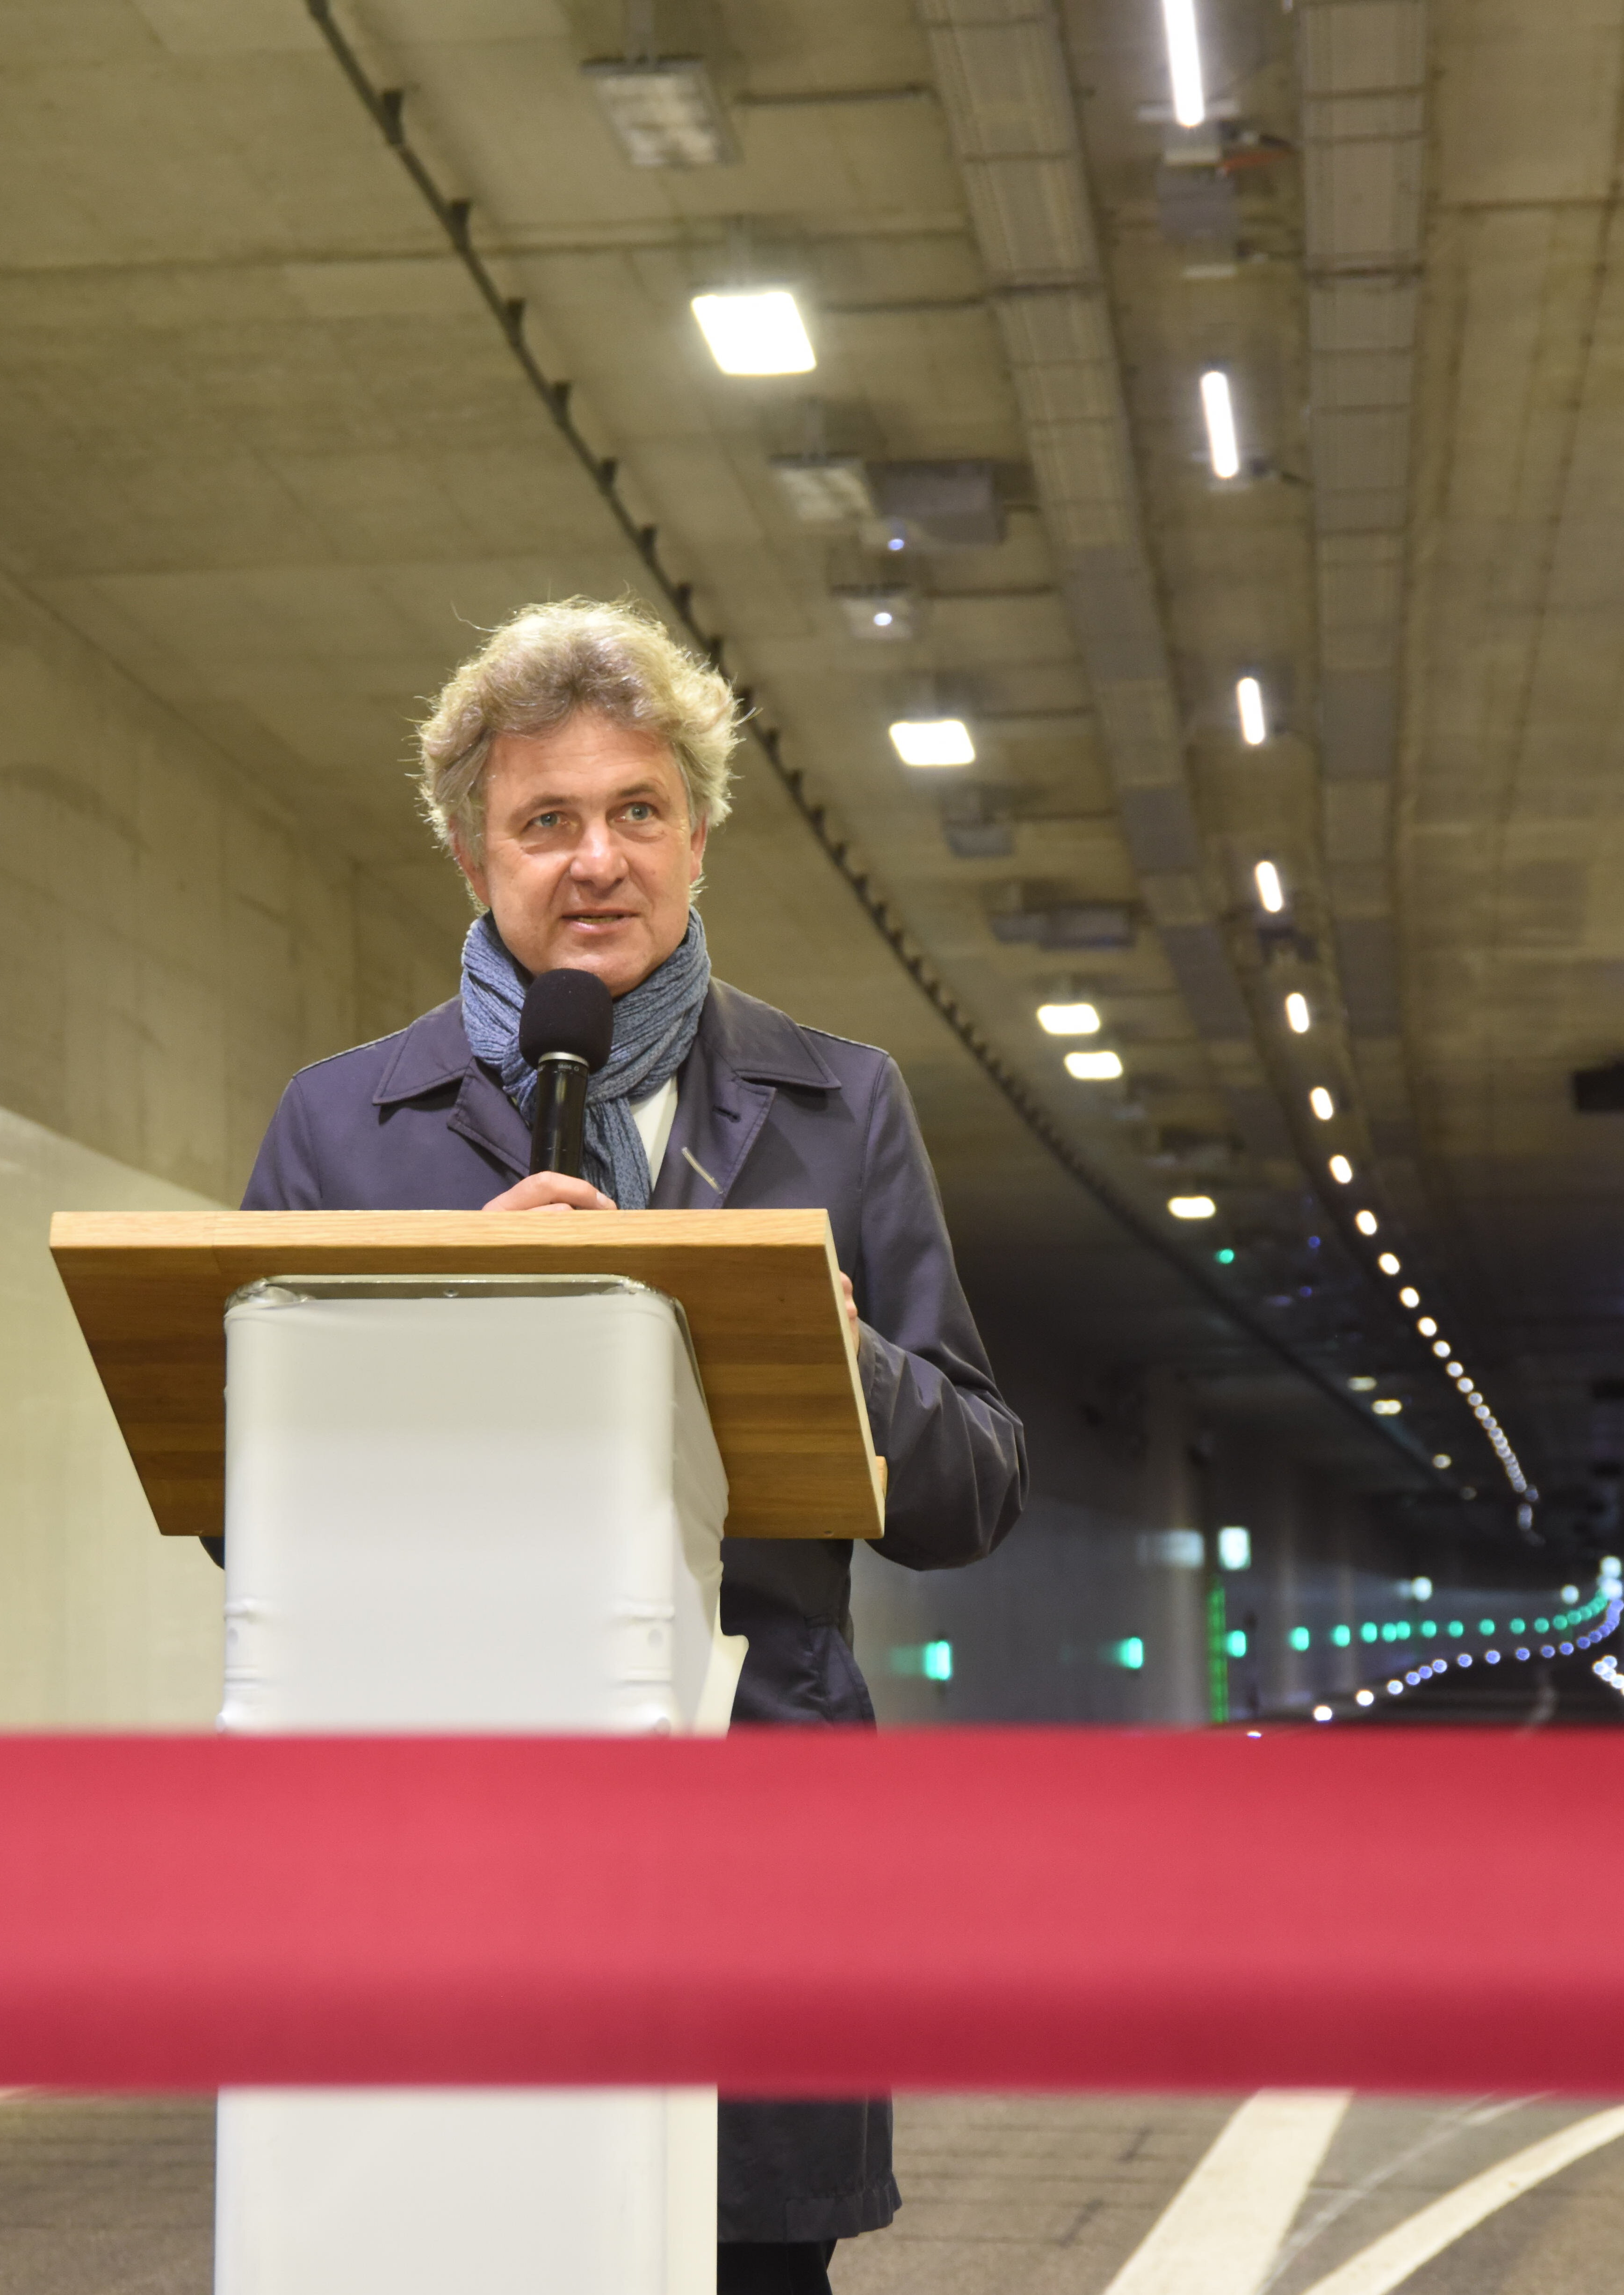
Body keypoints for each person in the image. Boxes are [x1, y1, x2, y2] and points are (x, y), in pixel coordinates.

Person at [242, 596, 1027, 2294]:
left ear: (696, 837)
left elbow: (968, 1486)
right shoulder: (338, 1123)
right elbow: (259, 1519)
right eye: (545, 821)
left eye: (636, 811)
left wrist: (808, 1334)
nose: (595, 860)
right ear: (473, 858)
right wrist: (457, 1325)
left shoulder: (841, 1104)